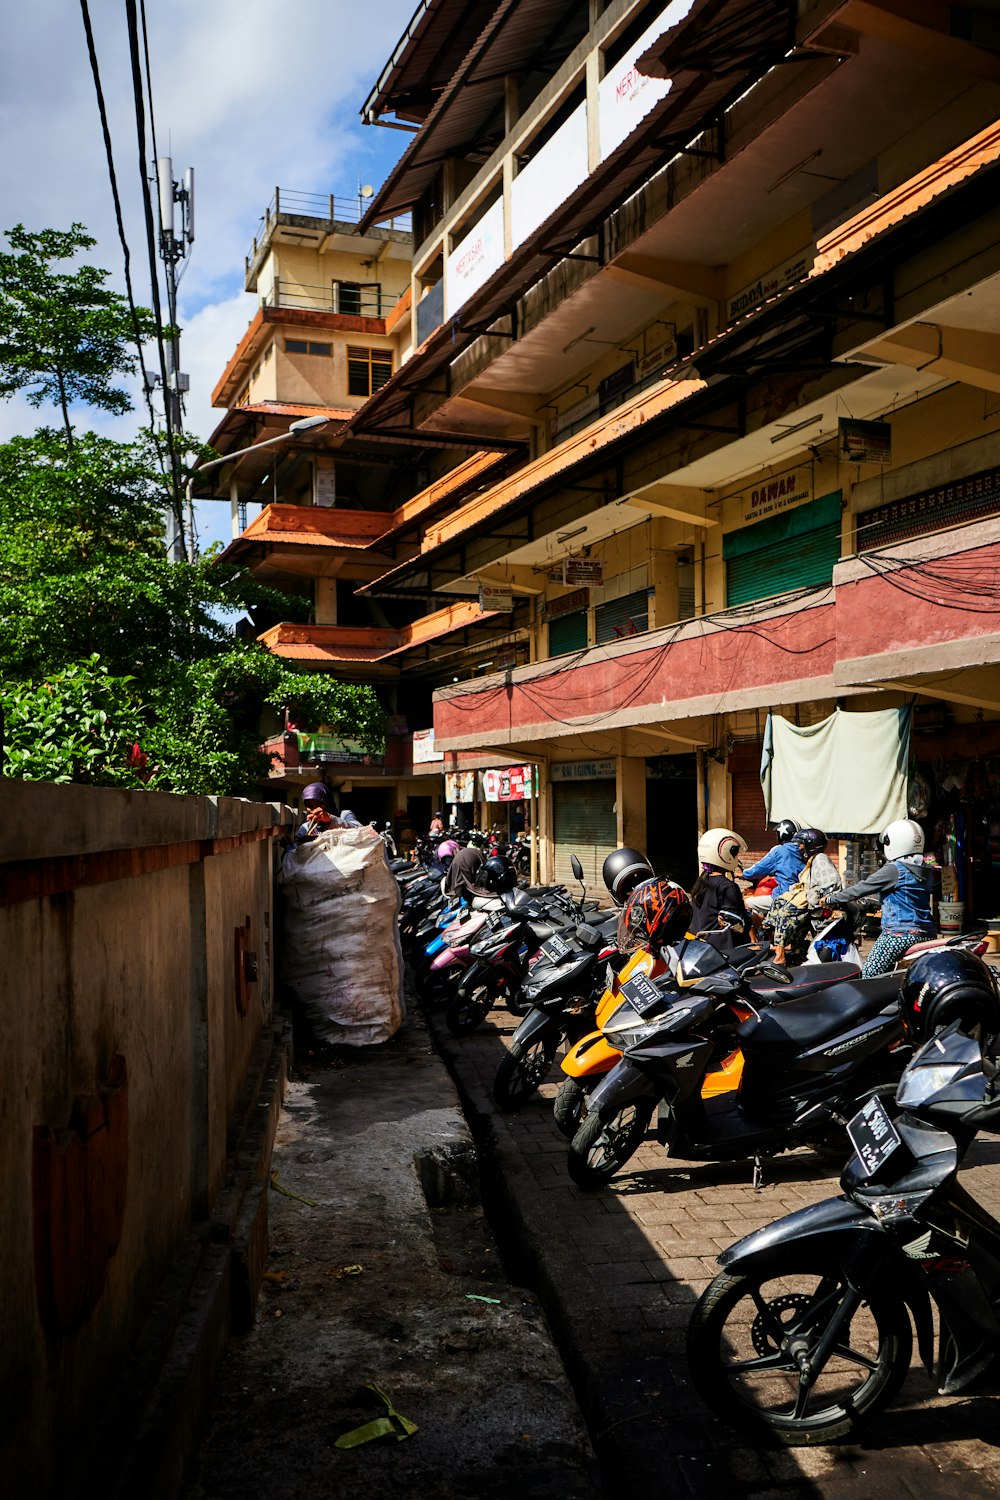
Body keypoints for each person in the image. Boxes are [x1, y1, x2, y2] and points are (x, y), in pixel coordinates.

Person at [829, 818, 936, 977]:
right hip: (927, 932)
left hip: (899, 934)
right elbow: (907, 897)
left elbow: (862, 888)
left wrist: (831, 899)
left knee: (868, 976)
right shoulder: (925, 870)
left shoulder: (894, 869)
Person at [761, 828, 842, 965]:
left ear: (812, 845)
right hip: (807, 899)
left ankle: (780, 954)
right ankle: (782, 944)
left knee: (785, 913)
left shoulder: (820, 859)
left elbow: (831, 884)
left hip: (817, 903)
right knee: (778, 903)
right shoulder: (812, 860)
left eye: (802, 844)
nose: (799, 847)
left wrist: (818, 897)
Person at [688, 828, 751, 953]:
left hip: (699, 948)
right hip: (723, 951)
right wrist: (753, 920)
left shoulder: (700, 882)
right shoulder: (728, 887)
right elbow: (736, 926)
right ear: (725, 853)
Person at [741, 818, 805, 926]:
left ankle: (754, 940)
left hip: (783, 896)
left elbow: (757, 869)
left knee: (746, 904)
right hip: (801, 896)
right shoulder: (803, 850)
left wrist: (743, 874)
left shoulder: (779, 850)